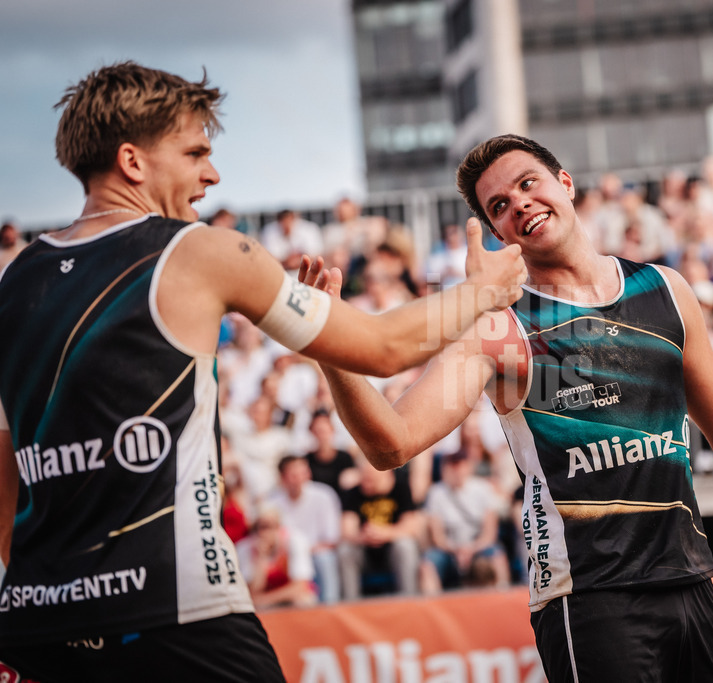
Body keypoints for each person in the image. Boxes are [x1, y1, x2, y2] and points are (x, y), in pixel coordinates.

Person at [0, 62, 526, 682]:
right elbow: (385, 347)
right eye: (195, 151)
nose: (212, 174)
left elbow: (7, 474)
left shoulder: (17, 280)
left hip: (37, 621)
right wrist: (481, 292)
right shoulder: (197, 250)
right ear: (133, 162)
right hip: (180, 614)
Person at [301, 134, 713, 682]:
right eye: (499, 205)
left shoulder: (666, 290)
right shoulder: (499, 329)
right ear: (497, 232)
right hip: (590, 601)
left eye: (529, 184)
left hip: (691, 583)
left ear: (566, 183)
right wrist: (330, 349)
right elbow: (390, 443)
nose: (520, 204)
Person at [420, 450, 511, 594]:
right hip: (448, 550)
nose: (457, 471)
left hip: (478, 547)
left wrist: (471, 549)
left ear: (468, 467)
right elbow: (438, 538)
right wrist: (457, 550)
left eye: (460, 465)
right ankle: (431, 607)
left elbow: (490, 533)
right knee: (427, 565)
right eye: (452, 466)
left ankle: (504, 599)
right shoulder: (436, 493)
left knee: (498, 558)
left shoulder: (483, 489)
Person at [338, 458, 422, 599]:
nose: (365, 484)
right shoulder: (353, 492)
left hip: (392, 553)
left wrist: (385, 533)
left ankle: (409, 600)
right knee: (345, 550)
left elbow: (412, 527)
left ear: (386, 476)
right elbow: (347, 530)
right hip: (365, 553)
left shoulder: (401, 489)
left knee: (405, 545)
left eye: (370, 480)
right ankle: (350, 603)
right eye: (363, 479)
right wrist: (363, 536)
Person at [265, 455, 343, 604]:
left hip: (316, 553)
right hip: (285, 556)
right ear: (283, 477)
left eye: (303, 473)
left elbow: (332, 538)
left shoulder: (324, 495)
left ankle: (330, 605)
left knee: (325, 559)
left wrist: (304, 550)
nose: (299, 479)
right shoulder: (272, 501)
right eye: (294, 475)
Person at [234, 504, 318, 610]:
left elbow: (300, 586)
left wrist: (266, 599)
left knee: (303, 601)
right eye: (257, 528)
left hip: (286, 598)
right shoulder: (244, 548)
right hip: (264, 601)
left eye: (267, 526)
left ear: (278, 527)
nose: (262, 533)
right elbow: (251, 592)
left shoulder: (294, 542)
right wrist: (260, 559)